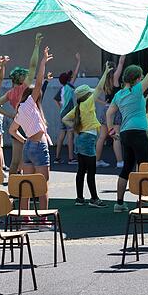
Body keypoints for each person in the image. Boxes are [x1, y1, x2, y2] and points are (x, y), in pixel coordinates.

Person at [107, 45, 148, 213]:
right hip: (138, 132)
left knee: (127, 167)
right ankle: (143, 201)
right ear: (136, 79)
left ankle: (119, 203)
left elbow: (109, 113)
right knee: (144, 167)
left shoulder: (119, 94)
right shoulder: (137, 91)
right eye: (140, 77)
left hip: (126, 133)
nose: (144, 78)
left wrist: (111, 131)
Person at [9, 45, 55, 212]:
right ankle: (43, 218)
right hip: (38, 146)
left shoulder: (20, 110)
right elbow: (39, 82)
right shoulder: (30, 103)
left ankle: (25, 217)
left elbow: (12, 130)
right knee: (43, 185)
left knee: (27, 186)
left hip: (28, 147)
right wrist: (43, 62)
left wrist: (25, 140)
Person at [0, 33, 44, 175]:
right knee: (28, 159)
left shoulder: (10, 93)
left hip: (17, 122)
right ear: (20, 78)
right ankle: (25, 186)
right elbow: (33, 65)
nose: (27, 76)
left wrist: (10, 114)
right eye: (24, 75)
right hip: (28, 123)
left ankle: (13, 189)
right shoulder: (24, 87)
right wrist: (37, 45)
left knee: (16, 160)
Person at [63, 62, 109, 208]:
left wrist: (76, 128)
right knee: (91, 171)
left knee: (81, 170)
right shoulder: (88, 103)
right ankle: (94, 198)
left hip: (81, 138)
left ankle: (79, 198)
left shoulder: (78, 107)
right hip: (88, 139)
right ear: (87, 95)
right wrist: (106, 72)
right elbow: (100, 88)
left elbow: (64, 119)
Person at [95, 61, 123, 168]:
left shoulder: (103, 80)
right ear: (114, 68)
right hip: (114, 110)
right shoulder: (115, 78)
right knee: (116, 137)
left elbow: (95, 96)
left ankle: (97, 160)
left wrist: (104, 103)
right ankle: (120, 161)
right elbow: (121, 62)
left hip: (105, 109)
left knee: (102, 137)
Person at [53, 53, 80, 165]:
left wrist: (61, 108)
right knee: (70, 135)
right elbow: (76, 74)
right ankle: (70, 158)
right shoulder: (69, 87)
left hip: (62, 113)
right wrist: (78, 61)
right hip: (69, 113)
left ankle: (57, 158)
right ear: (68, 80)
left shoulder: (62, 89)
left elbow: (55, 99)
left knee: (61, 135)